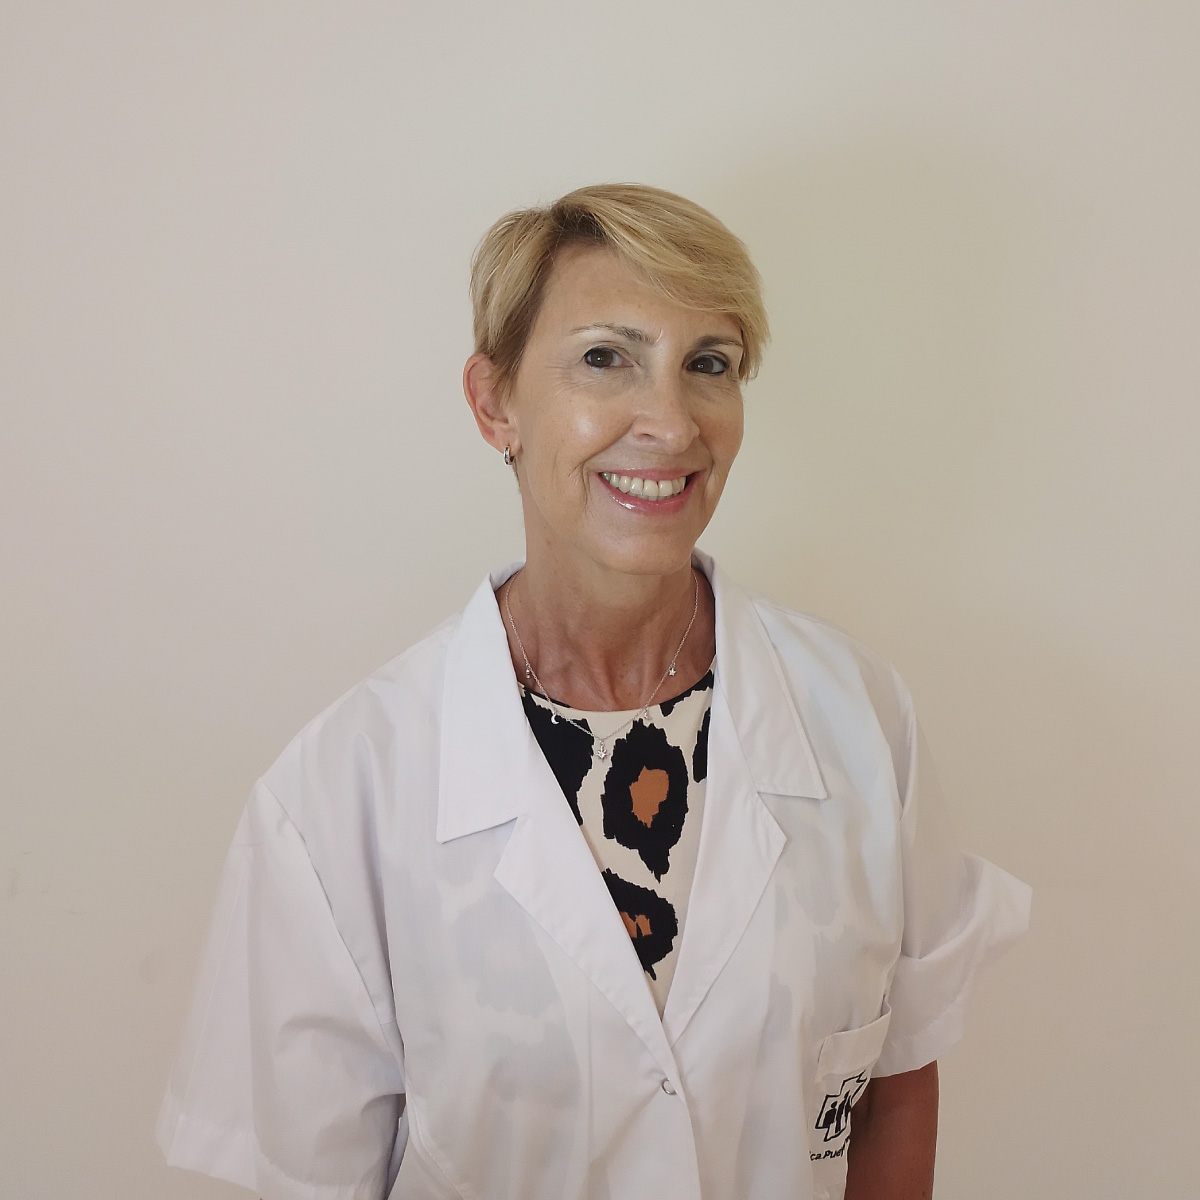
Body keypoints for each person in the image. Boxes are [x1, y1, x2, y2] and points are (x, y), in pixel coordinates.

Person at [157, 184, 1031, 1200]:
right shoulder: (342, 790)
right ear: (495, 404)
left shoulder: (859, 718)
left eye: (709, 363)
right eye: (606, 358)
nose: (671, 421)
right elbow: (305, 1173)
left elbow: (892, 1086)